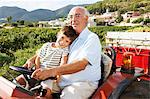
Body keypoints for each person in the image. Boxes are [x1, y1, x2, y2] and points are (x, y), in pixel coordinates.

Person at [27, 6, 101, 99]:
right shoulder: (71, 38)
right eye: (70, 17)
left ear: (86, 18)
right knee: (34, 91)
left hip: (82, 83)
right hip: (63, 80)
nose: (73, 19)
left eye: (77, 16)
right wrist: (32, 59)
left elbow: (82, 64)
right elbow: (53, 48)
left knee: (68, 96)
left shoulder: (91, 38)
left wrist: (51, 72)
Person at [15, 26, 78, 98]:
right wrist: (37, 69)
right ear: (58, 35)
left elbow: (63, 63)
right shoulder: (46, 46)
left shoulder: (64, 50)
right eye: (62, 37)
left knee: (46, 91)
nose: (62, 42)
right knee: (18, 80)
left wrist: (58, 75)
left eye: (67, 41)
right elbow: (38, 58)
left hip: (49, 76)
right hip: (37, 71)